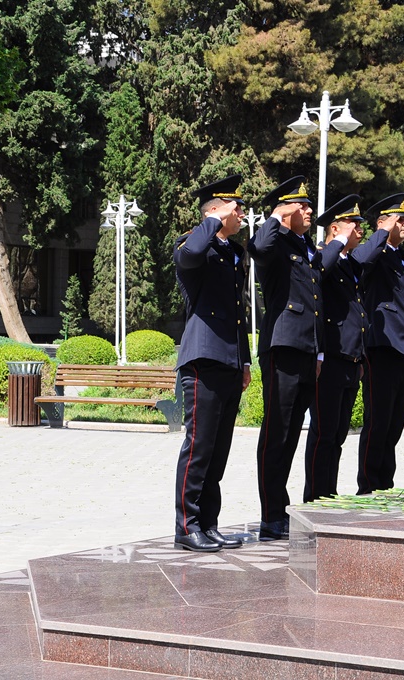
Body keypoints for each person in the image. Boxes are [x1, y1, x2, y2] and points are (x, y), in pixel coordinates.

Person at [247, 176, 347, 541]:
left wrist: (319, 350)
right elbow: (257, 246)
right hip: (283, 348)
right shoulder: (275, 243)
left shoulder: (304, 247)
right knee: (277, 433)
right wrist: (277, 213)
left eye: (308, 205)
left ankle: (283, 510)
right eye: (302, 206)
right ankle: (271, 515)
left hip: (307, 352)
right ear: (286, 208)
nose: (309, 212)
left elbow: (316, 299)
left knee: (291, 437)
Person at [171, 174, 253, 552]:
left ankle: (209, 523)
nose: (242, 213)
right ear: (216, 211)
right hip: (202, 357)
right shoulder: (194, 244)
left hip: (229, 359)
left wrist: (246, 361)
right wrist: (212, 220)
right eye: (235, 208)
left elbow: (240, 312)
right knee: (199, 446)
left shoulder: (233, 253)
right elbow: (189, 257)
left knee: (218, 450)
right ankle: (186, 527)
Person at [302, 195, 387, 502]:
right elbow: (317, 275)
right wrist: (336, 241)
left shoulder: (348, 263)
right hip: (331, 359)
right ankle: (315, 496)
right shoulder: (322, 256)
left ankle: (330, 491)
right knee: (323, 434)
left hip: (351, 359)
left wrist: (361, 356)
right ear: (336, 228)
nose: (359, 230)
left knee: (337, 435)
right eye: (354, 224)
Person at [357, 194, 404, 494]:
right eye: (398, 219)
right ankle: (368, 484)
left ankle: (385, 483)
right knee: (377, 422)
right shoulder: (376, 253)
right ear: (382, 223)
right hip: (381, 346)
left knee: (394, 424)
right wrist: (381, 232)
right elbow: (361, 260)